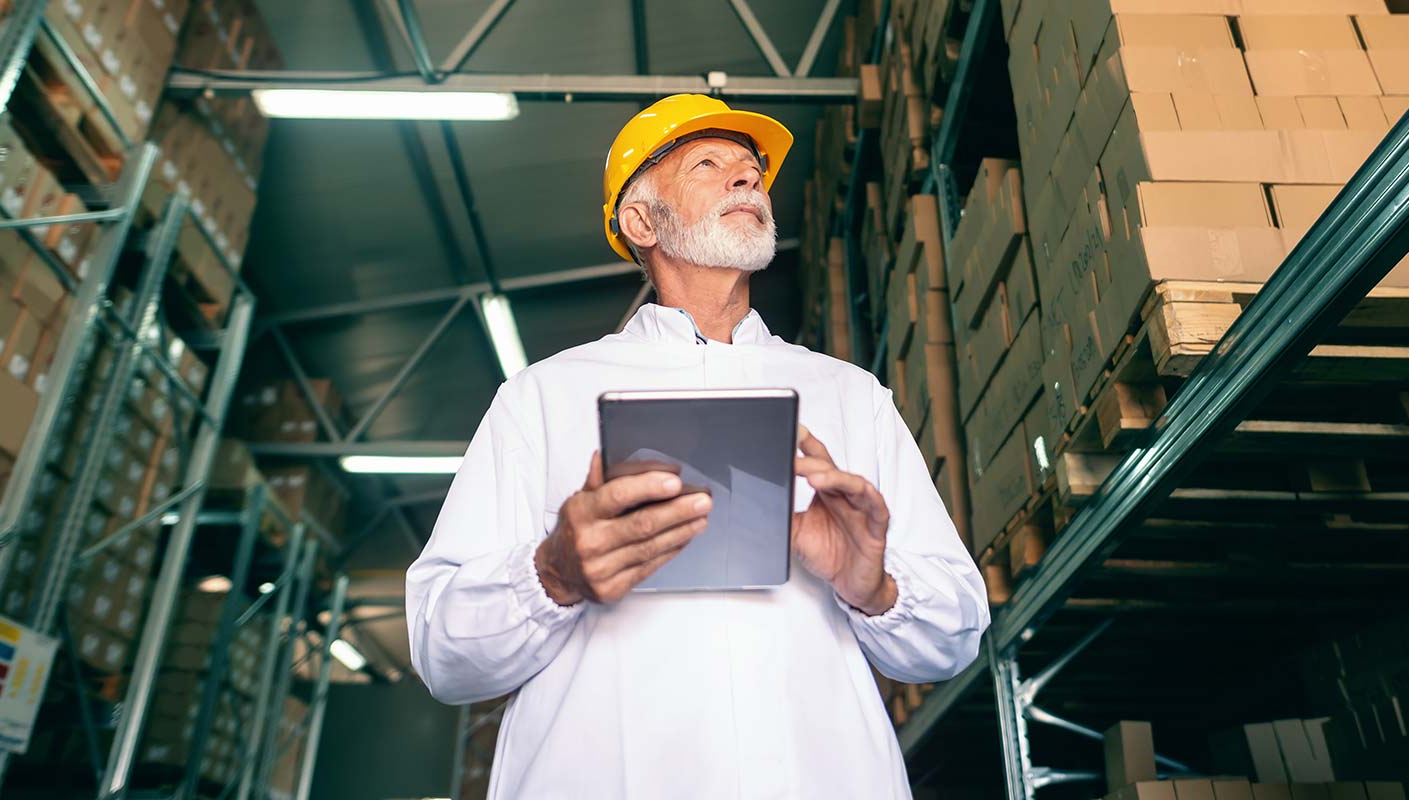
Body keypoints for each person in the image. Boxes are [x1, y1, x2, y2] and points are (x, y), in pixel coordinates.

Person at [403, 94, 989, 798]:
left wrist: (874, 586)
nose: (747, 180)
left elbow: (953, 640)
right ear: (640, 220)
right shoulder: (544, 397)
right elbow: (443, 654)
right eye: (710, 164)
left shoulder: (848, 395)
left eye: (752, 171)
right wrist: (553, 576)